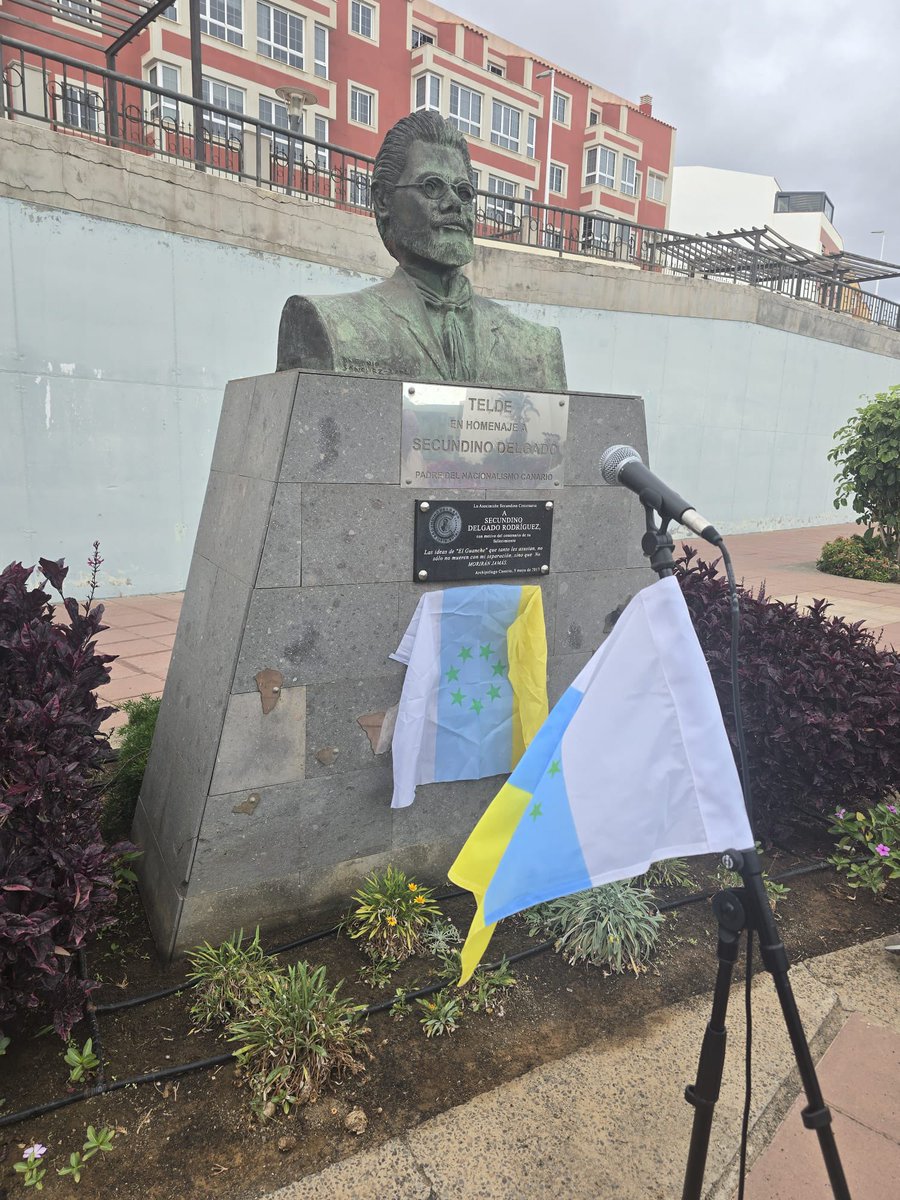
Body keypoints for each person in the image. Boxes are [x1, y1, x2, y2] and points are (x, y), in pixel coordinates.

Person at [276, 111, 567, 390]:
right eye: (432, 186)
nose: (454, 202)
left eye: (464, 192)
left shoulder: (539, 349)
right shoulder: (325, 324)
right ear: (382, 200)